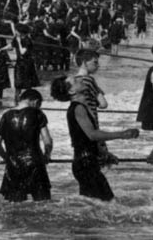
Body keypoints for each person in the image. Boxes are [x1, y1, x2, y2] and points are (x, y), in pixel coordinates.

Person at [59, 50, 139, 201]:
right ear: (71, 90)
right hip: (85, 162)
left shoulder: (78, 107)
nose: (80, 80)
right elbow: (92, 134)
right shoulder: (78, 108)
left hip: (86, 160)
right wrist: (122, 134)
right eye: (76, 82)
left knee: (93, 205)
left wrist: (104, 153)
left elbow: (87, 138)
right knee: (108, 203)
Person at [0, 88, 53, 202]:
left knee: (15, 207)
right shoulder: (37, 114)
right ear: (35, 101)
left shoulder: (6, 116)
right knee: (44, 203)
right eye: (39, 104)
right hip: (35, 163)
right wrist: (47, 155)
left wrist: (6, 157)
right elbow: (48, 141)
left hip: (13, 165)